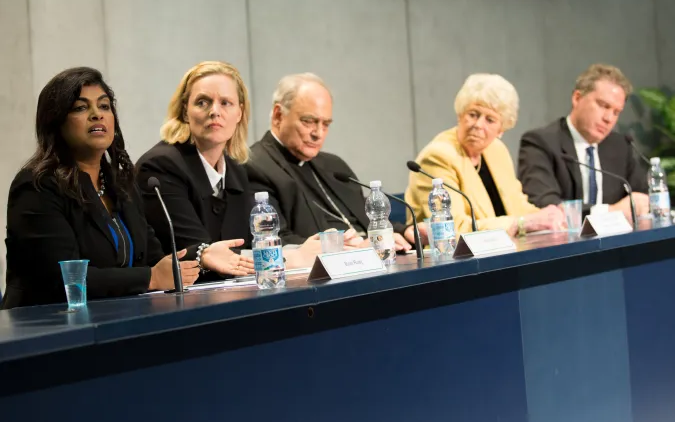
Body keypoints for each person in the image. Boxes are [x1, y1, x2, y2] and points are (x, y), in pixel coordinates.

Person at [2, 67, 201, 309]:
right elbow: (63, 279)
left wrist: (202, 256)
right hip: (46, 330)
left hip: (118, 319)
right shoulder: (37, 186)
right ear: (56, 122)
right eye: (80, 107)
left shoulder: (121, 183)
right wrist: (151, 278)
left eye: (104, 106)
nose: (97, 115)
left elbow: (153, 259)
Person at [136, 61, 320, 280]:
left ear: (239, 113)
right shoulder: (160, 167)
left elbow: (250, 243)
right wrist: (293, 258)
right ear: (185, 112)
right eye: (203, 102)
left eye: (226, 103)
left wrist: (304, 250)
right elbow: (201, 254)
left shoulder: (235, 170)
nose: (215, 111)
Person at [246, 73, 422, 248]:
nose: (318, 134)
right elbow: (275, 241)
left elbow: (366, 218)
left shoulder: (334, 166)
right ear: (278, 115)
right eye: (309, 121)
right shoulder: (255, 166)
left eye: (326, 124)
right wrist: (346, 249)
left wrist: (404, 231)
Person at [405, 73, 565, 236]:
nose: (478, 125)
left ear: (501, 130)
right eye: (473, 114)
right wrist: (522, 223)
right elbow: (452, 228)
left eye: (490, 120)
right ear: (460, 115)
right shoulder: (437, 157)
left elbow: (517, 206)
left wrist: (549, 215)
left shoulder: (496, 150)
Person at [517, 63, 649, 220]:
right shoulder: (540, 142)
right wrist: (609, 212)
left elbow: (643, 194)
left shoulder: (620, 145)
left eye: (616, 112)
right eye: (603, 105)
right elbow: (545, 204)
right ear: (577, 98)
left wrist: (642, 203)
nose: (608, 119)